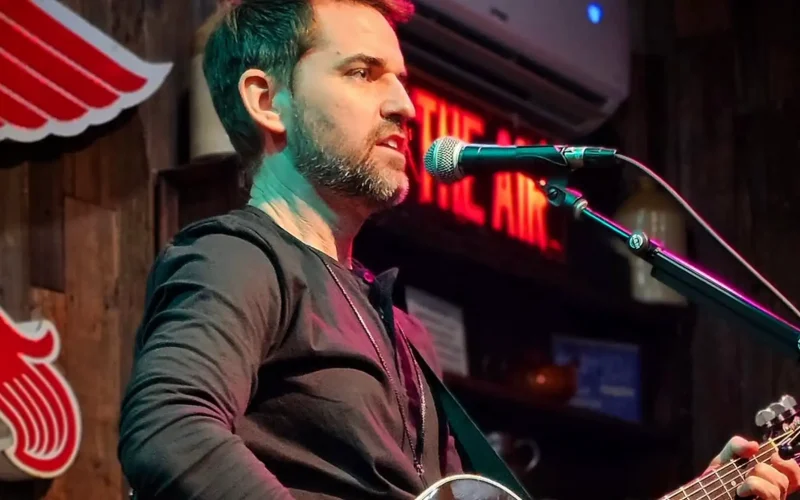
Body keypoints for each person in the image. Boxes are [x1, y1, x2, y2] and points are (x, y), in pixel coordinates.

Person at [117, 1, 800, 499]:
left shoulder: (400, 329)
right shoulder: (237, 258)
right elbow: (167, 429)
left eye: (400, 79)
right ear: (269, 101)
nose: (405, 107)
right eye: (362, 73)